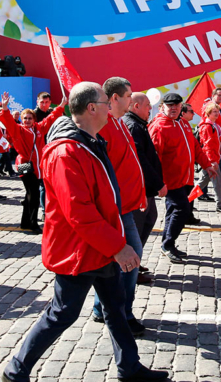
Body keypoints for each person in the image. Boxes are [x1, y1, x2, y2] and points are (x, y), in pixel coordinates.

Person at [2, 82, 168, 382]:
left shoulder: (90, 142)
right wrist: (118, 247)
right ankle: (16, 370)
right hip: (79, 251)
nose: (110, 107)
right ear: (92, 108)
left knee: (115, 308)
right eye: (106, 102)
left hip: (99, 247)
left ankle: (129, 368)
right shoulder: (66, 152)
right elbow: (80, 212)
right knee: (62, 313)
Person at [90, 77, 148, 334]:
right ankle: (121, 313)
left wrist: (140, 194)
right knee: (130, 258)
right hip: (116, 208)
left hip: (126, 205)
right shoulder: (104, 126)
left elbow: (129, 163)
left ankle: (102, 307)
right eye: (128, 95)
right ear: (114, 98)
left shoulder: (119, 122)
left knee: (117, 261)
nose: (131, 99)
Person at [149, 93, 215, 263]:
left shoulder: (183, 123)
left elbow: (195, 147)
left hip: (186, 177)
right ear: (163, 106)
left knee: (173, 211)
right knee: (182, 210)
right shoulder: (159, 127)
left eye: (177, 106)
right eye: (170, 105)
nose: (173, 108)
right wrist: (158, 182)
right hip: (170, 180)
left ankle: (167, 244)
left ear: (181, 107)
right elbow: (154, 158)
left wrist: (207, 165)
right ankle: (167, 244)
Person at [0, 92, 66, 232]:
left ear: (34, 119)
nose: (27, 120)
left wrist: (62, 105)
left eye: (30, 118)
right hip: (24, 164)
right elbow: (8, 121)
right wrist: (5, 108)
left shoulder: (39, 128)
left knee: (29, 194)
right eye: (25, 118)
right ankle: (33, 224)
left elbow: (51, 118)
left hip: (37, 166)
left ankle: (25, 222)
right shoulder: (18, 130)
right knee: (33, 194)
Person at [122, 92, 165, 281]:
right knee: (137, 227)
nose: (150, 109)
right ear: (136, 106)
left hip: (144, 188)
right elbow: (139, 160)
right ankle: (131, 268)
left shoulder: (137, 124)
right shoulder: (133, 126)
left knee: (149, 219)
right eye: (147, 105)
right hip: (139, 188)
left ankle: (135, 262)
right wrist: (157, 183)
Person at [195, 103, 221, 213]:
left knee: (204, 182)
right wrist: (212, 161)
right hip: (211, 159)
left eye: (218, 111)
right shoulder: (207, 126)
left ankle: (187, 200)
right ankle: (219, 205)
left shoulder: (213, 125)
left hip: (214, 158)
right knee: (217, 182)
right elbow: (208, 145)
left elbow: (214, 143)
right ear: (208, 113)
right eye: (214, 111)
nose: (217, 113)